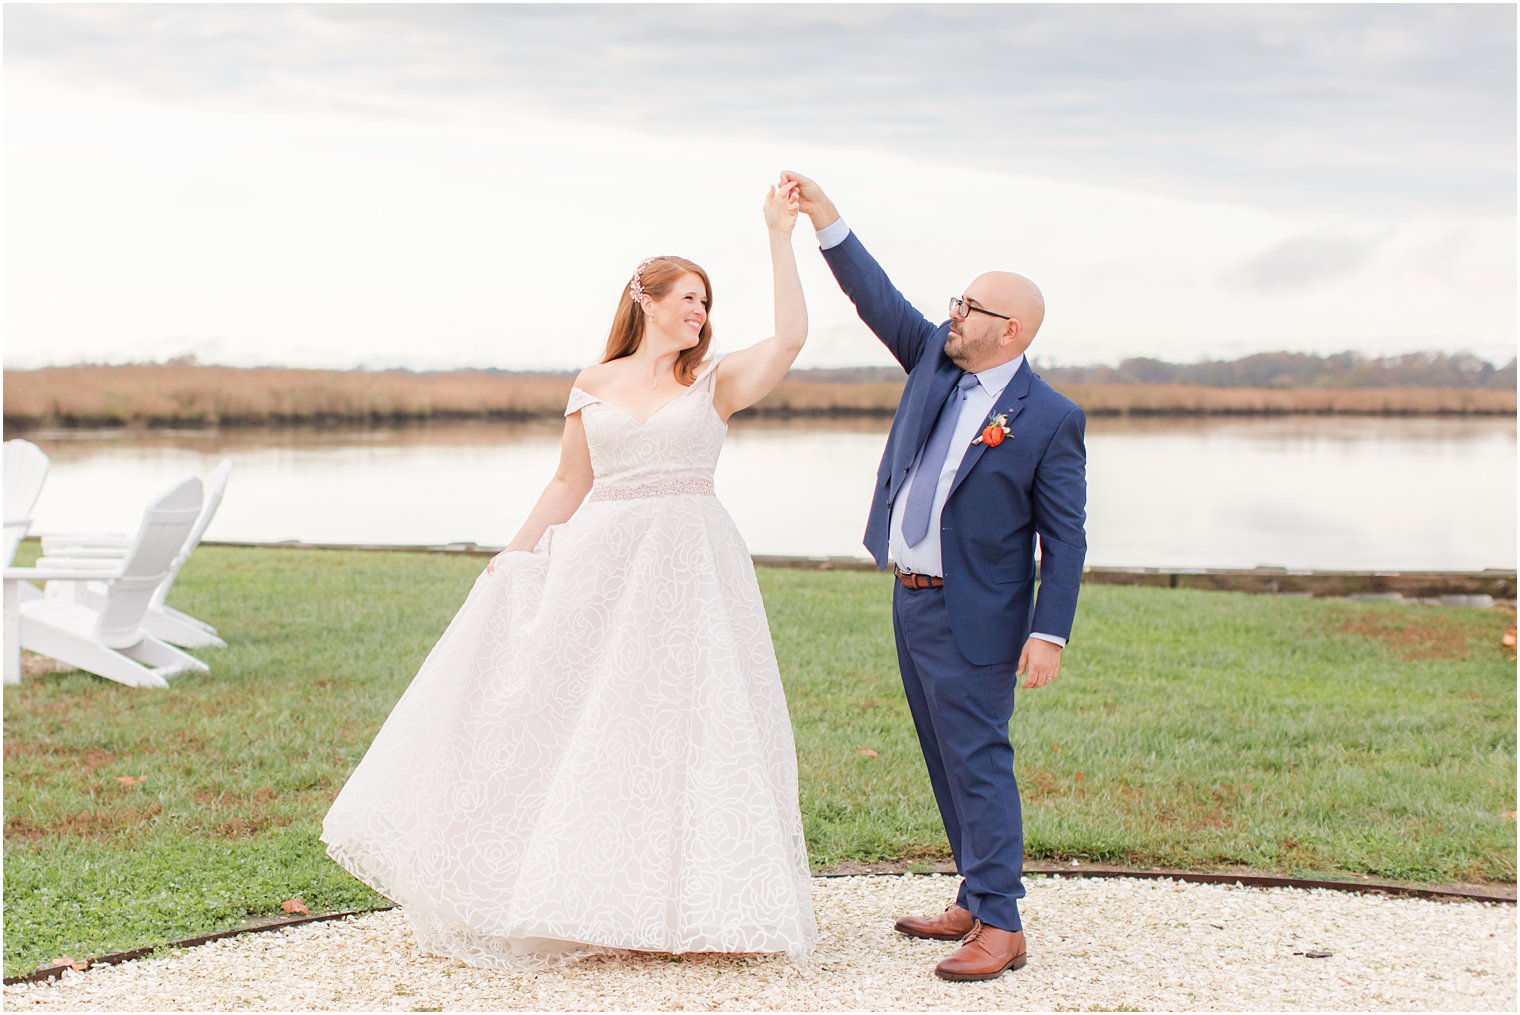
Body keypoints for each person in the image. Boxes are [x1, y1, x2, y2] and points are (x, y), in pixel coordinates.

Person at [320, 182, 819, 970]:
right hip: (607, 565)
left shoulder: (713, 380)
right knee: (602, 721)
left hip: (692, 563)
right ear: (645, 300)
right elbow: (567, 482)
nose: (700, 312)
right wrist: (514, 555)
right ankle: (599, 899)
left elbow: (790, 338)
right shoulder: (593, 382)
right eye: (688, 298)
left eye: (706, 303)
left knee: (692, 720)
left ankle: (704, 906)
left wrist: (778, 237)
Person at [781, 170, 1087, 982]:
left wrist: (1048, 630)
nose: (953, 315)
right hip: (910, 602)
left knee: (979, 756)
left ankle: (1002, 925)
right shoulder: (934, 362)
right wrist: (827, 220)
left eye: (971, 308)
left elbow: (1066, 537)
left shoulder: (1051, 418)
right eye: (956, 302)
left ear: (1011, 329)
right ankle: (975, 891)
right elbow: (875, 297)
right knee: (942, 753)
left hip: (979, 614)